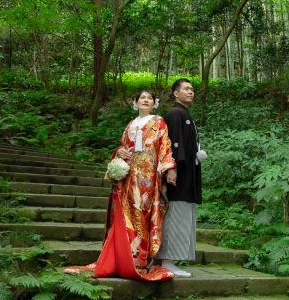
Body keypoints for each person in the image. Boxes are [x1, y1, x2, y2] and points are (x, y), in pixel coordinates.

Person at [64, 90, 177, 281]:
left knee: (141, 213)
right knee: (123, 214)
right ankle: (120, 257)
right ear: (135, 103)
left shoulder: (159, 122)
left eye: (149, 98)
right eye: (142, 98)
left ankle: (138, 260)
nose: (146, 100)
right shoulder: (131, 124)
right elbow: (124, 146)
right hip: (128, 174)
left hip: (147, 176)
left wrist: (169, 168)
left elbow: (165, 147)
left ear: (154, 104)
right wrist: (119, 153)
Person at [156, 78, 204, 278]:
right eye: (186, 89)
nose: (190, 92)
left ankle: (168, 260)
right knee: (174, 213)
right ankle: (167, 261)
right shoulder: (176, 114)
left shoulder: (184, 114)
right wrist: (171, 168)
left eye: (192, 89)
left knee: (181, 211)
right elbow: (172, 144)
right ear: (176, 93)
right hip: (179, 174)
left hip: (187, 173)